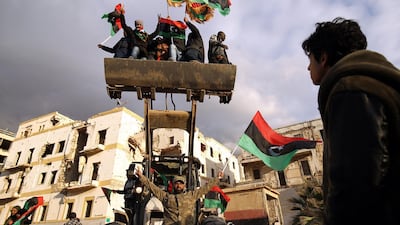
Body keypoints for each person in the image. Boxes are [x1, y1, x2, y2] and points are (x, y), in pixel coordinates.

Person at [302, 17, 400, 225]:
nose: (308, 68)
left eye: (310, 60)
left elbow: (358, 182)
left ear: (324, 58)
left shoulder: (351, 88)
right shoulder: (375, 82)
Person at [136, 168, 223, 225]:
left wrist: (217, 178)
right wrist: (141, 176)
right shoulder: (165, 197)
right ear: (173, 185)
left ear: (184, 186)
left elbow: (205, 188)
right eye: (176, 183)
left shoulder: (191, 196)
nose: (178, 186)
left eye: (181, 184)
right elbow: (152, 187)